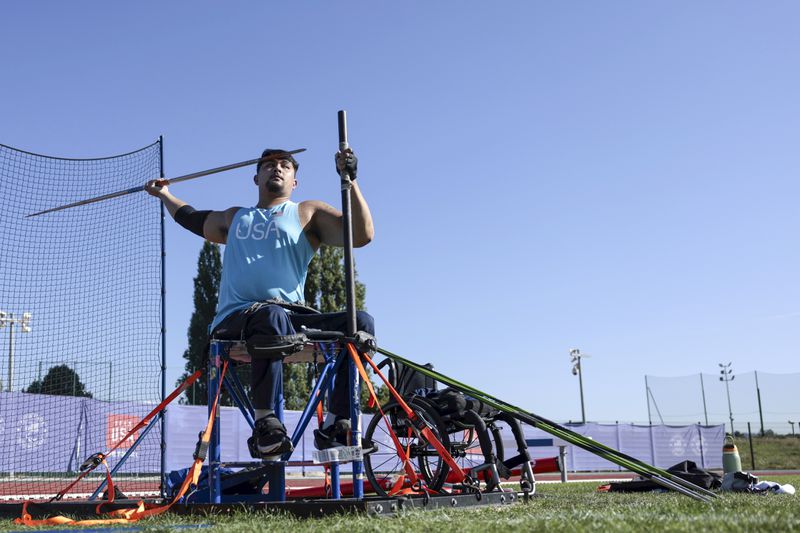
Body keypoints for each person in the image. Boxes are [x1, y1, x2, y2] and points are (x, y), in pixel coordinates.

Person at [145, 147, 375, 458]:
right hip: (237, 319)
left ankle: (336, 425)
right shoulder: (236, 217)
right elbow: (192, 218)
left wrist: (351, 178)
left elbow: (361, 234)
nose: (276, 168)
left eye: (284, 165)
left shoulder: (307, 212)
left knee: (360, 322)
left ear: (295, 181)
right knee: (270, 316)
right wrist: (165, 195)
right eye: (268, 165)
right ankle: (266, 424)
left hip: (290, 318)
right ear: (256, 178)